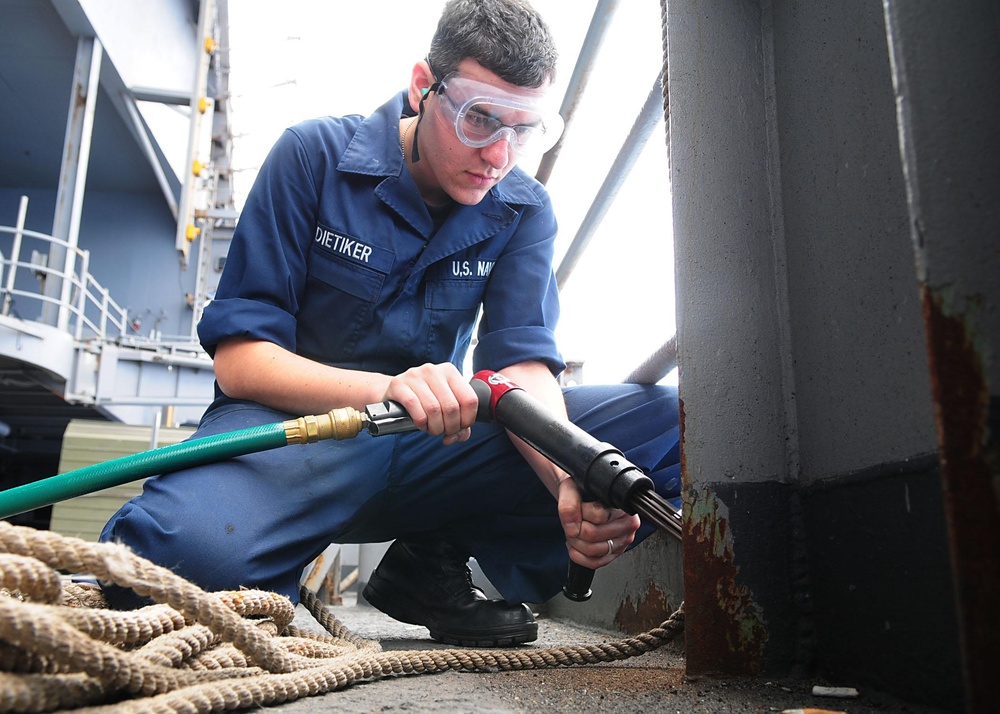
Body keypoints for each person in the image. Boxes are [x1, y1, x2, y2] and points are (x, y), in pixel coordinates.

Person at [100, 0, 681, 647]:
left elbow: (522, 365)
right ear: (421, 87)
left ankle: (426, 564)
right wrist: (387, 390)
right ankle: (265, 548)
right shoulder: (311, 157)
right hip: (290, 434)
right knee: (155, 575)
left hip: (432, 442)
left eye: (524, 129)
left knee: (669, 425)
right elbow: (242, 361)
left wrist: (569, 472)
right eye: (480, 118)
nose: (499, 153)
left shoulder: (523, 207)